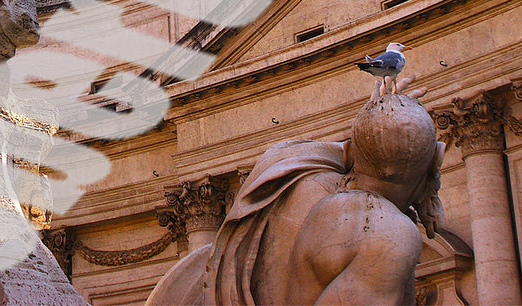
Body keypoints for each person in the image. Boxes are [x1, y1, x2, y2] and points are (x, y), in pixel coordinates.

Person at [145, 94, 443, 306]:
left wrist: (384, 117)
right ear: (428, 168)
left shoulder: (294, 176)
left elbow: (367, 152)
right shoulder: (385, 233)